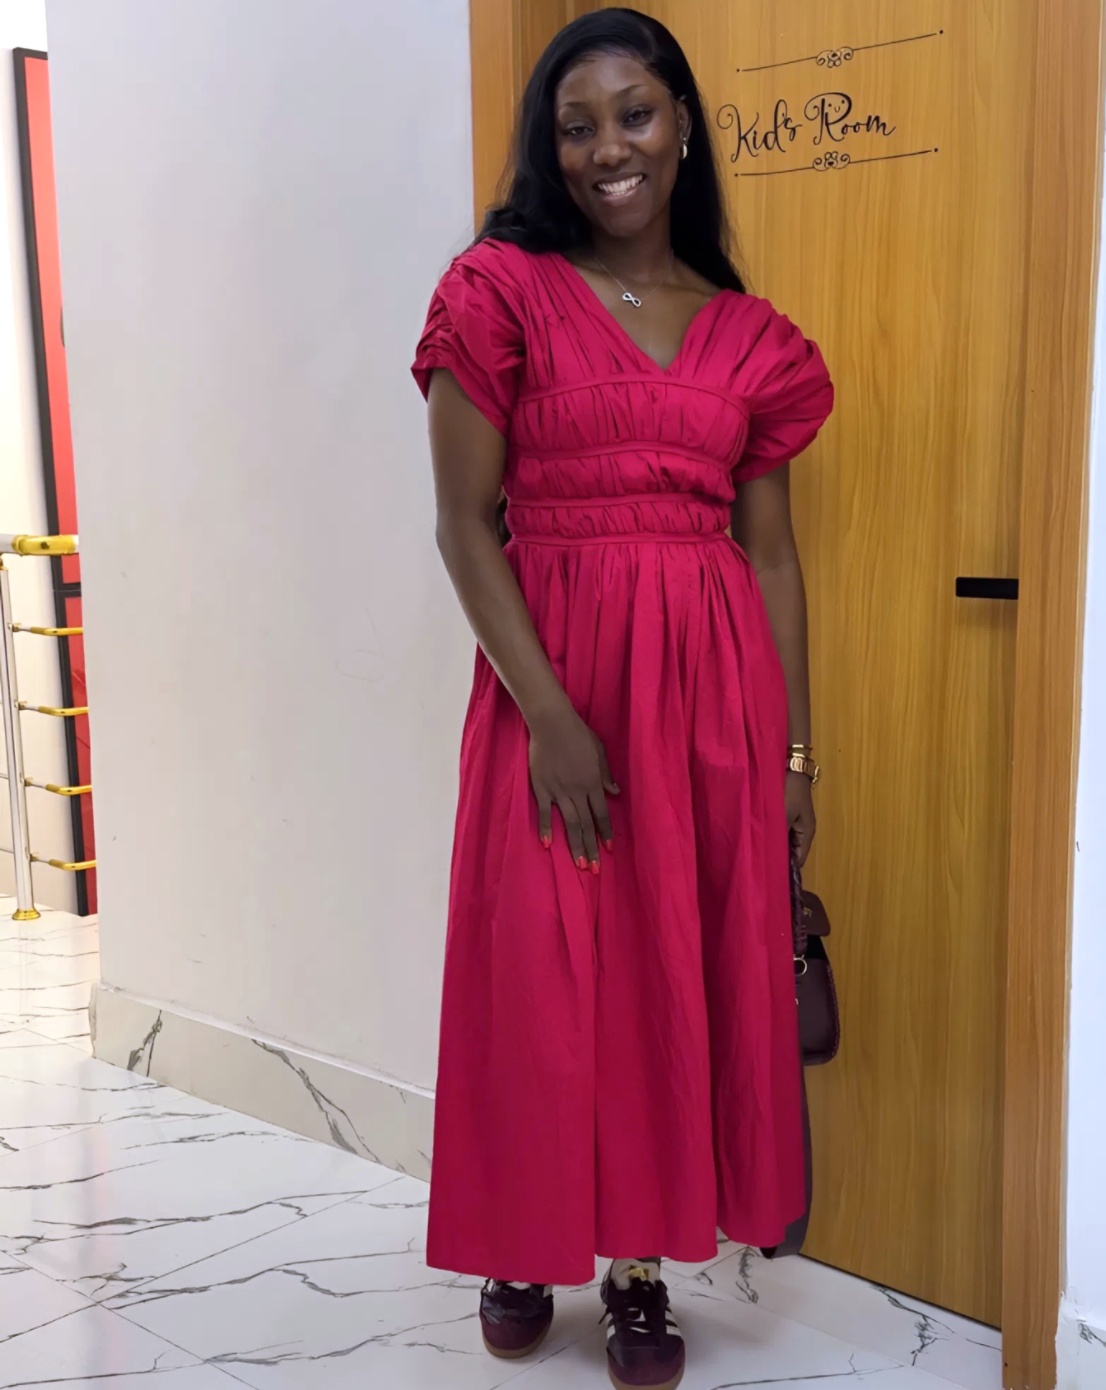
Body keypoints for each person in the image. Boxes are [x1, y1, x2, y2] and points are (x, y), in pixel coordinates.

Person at [413, 10, 833, 1388]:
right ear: (551, 149)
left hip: (707, 710)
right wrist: (548, 713)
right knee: (540, 978)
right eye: (577, 125)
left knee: (665, 977)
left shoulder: (752, 337)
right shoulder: (498, 292)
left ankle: (640, 1263)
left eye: (635, 114)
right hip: (556, 694)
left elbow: (772, 558)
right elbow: (464, 525)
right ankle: (521, 1242)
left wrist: (791, 757)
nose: (609, 148)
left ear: (683, 127)